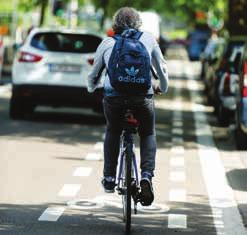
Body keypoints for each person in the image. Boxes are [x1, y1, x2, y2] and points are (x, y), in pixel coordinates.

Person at [87, 7, 168, 206]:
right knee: (148, 132)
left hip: (114, 97)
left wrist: (92, 88)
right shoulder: (148, 40)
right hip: (142, 97)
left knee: (113, 130)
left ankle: (109, 178)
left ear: (115, 25)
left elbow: (94, 73)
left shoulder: (107, 43)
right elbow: (162, 70)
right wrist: (162, 88)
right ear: (138, 24)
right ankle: (146, 176)